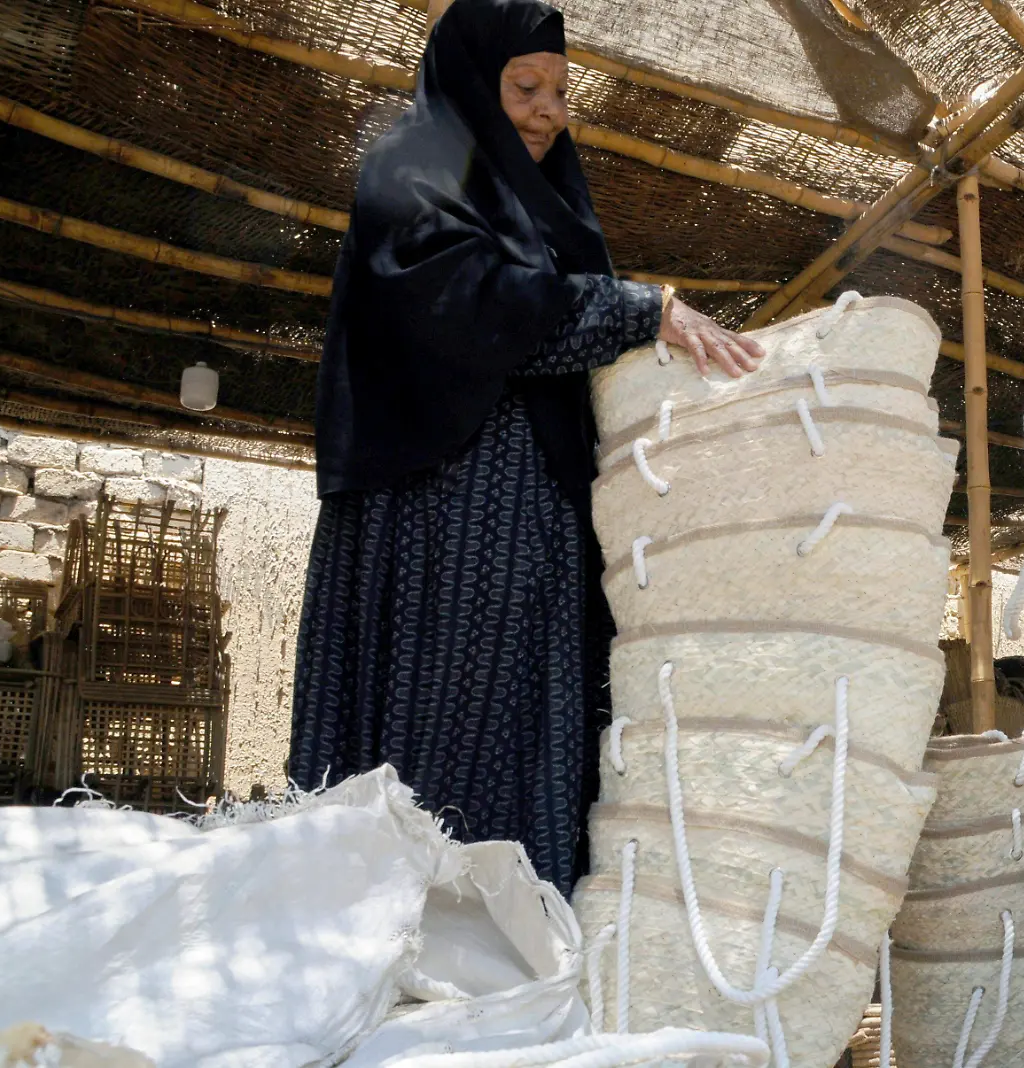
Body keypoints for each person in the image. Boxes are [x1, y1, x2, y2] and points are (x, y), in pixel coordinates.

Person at [289, 0, 763, 890]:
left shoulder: (548, 198)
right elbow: (473, 311)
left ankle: (515, 949)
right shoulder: (415, 167)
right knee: (442, 731)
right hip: (434, 512)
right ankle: (420, 940)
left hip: (535, 518)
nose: (548, 110)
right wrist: (639, 307)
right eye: (524, 87)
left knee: (528, 731)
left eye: (559, 90)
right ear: (473, 80)